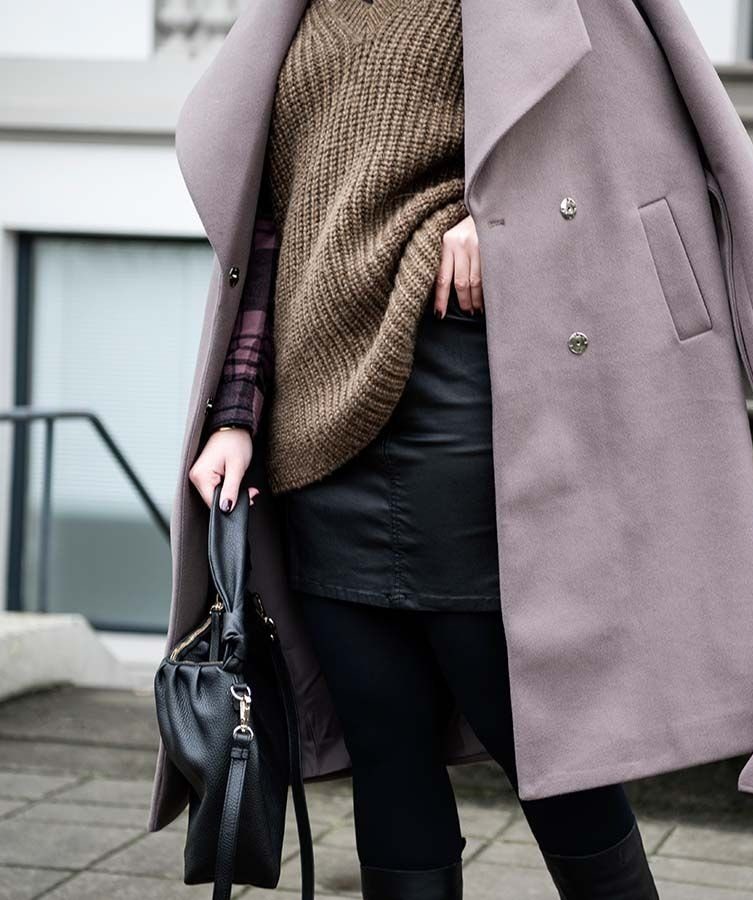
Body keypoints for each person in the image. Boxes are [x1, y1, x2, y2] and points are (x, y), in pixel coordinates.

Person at [187, 0, 659, 897]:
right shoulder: (299, 14)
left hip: (453, 395)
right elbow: (269, 226)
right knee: (384, 741)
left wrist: (500, 216)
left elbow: (616, 143)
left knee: (536, 728)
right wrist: (237, 412)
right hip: (318, 427)